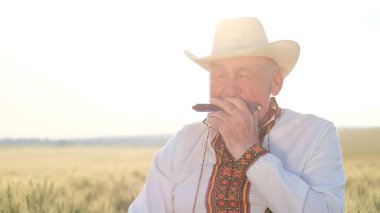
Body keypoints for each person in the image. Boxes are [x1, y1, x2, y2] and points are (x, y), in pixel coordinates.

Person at [129, 17, 345, 213]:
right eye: (220, 75)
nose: (229, 91)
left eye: (244, 75)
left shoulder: (316, 134)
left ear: (275, 82)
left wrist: (250, 153)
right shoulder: (183, 142)